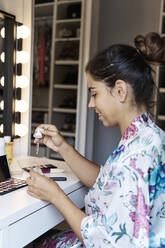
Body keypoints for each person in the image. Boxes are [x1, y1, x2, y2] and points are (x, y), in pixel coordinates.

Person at [27, 32, 165, 248]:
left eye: (94, 93)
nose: (91, 104)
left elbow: (105, 241)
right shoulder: (148, 136)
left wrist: (56, 195)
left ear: (120, 91)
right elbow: (108, 182)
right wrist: (62, 146)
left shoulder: (134, 159)